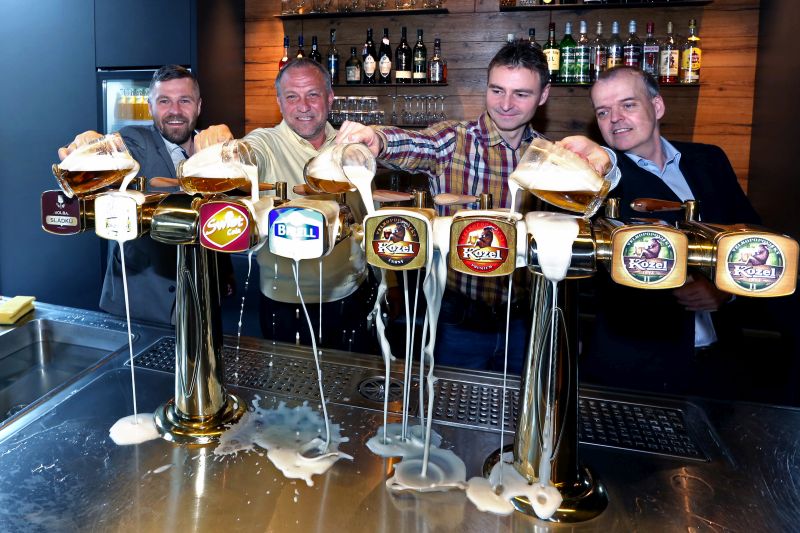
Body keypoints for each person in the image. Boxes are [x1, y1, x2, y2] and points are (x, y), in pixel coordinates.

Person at [335, 41, 620, 374]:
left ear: (543, 95)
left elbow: (591, 203)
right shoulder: (454, 140)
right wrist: (377, 139)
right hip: (458, 316)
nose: (506, 104)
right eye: (497, 90)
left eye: (521, 94)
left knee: (518, 403)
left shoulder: (549, 157)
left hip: (525, 319)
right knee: (450, 402)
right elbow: (413, 144)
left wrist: (606, 162)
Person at [582, 66, 762, 396]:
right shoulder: (599, 179)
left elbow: (754, 237)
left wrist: (726, 290)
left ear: (657, 106)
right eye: (603, 112)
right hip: (637, 369)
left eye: (628, 104)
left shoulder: (709, 160)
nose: (615, 118)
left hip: (722, 364)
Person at [195, 58, 377, 353]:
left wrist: (391, 283)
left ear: (330, 98)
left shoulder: (352, 146)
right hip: (286, 302)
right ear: (279, 102)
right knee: (289, 382)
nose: (303, 106)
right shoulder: (266, 142)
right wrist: (228, 149)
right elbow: (249, 153)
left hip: (354, 293)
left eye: (312, 95)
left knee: (353, 378)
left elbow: (371, 217)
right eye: (292, 97)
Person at [59, 65, 232, 325]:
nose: (175, 110)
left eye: (184, 100)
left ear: (198, 106)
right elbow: (114, 150)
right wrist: (89, 146)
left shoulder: (213, 149)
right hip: (140, 302)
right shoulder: (137, 140)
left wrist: (225, 273)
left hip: (200, 299)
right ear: (150, 107)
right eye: (164, 101)